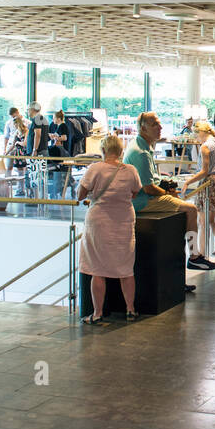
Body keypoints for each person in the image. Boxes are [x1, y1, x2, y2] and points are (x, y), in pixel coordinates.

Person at [127, 112, 209, 280]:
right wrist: (165, 192)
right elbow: (148, 188)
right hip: (142, 202)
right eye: (155, 124)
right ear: (143, 128)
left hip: (141, 198)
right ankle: (194, 256)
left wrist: (164, 185)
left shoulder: (140, 146)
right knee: (191, 209)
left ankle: (182, 268)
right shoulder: (141, 152)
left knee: (180, 204)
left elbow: (150, 181)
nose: (160, 127)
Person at [76, 134, 143, 324]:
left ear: (103, 150)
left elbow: (80, 194)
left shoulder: (95, 169)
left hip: (99, 221)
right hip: (124, 221)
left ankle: (97, 314)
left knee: (98, 268)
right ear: (121, 151)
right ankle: (130, 309)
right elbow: (135, 192)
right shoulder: (130, 170)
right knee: (126, 267)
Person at [185, 120, 215, 259]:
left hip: (208, 185)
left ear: (199, 133)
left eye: (195, 135)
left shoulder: (205, 147)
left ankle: (201, 253)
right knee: (211, 220)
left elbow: (204, 171)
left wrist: (188, 182)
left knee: (203, 221)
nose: (196, 139)